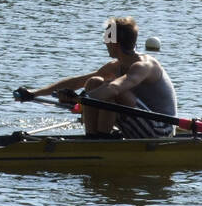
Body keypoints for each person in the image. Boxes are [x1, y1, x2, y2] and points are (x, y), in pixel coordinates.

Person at [16, 16, 177, 139]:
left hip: (161, 129)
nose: (104, 44)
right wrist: (34, 93)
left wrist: (79, 99)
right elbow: (78, 82)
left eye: (106, 40)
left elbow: (116, 88)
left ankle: (103, 139)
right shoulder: (116, 65)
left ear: (114, 44)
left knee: (109, 88)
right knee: (94, 82)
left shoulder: (144, 66)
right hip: (140, 124)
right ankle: (94, 138)